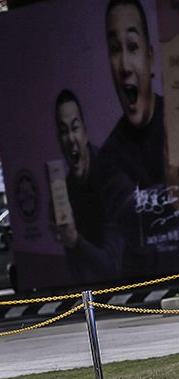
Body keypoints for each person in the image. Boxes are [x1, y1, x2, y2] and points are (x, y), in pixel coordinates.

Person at [96, 0, 174, 279]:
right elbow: (134, 218)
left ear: (150, 57)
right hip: (150, 283)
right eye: (115, 50)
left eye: (132, 46)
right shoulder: (109, 159)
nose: (125, 65)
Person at [51, 91, 115, 283]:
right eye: (64, 131)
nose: (71, 138)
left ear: (85, 132)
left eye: (75, 128)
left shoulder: (111, 178)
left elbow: (113, 267)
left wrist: (75, 240)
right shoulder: (66, 191)